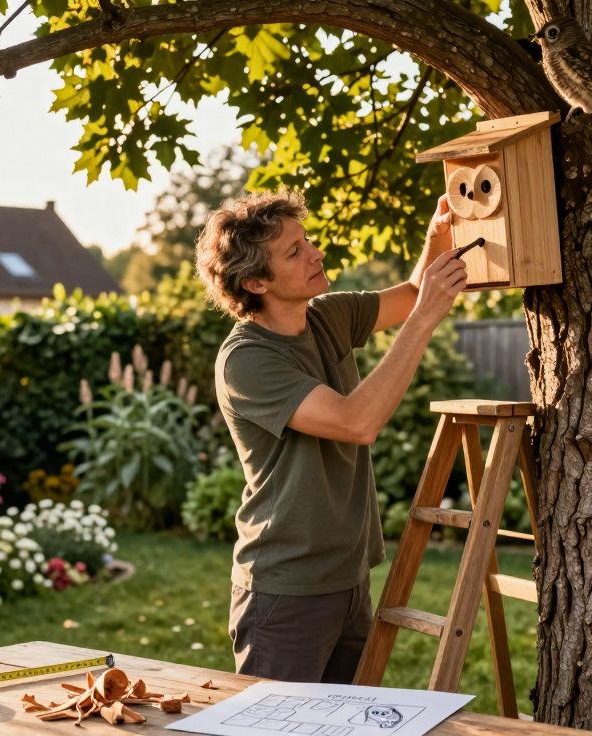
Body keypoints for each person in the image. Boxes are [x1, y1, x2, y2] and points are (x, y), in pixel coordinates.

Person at [194, 189, 467, 684]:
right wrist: (428, 316)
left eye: (308, 241)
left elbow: (409, 296)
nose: (315, 253)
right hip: (285, 592)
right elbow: (356, 422)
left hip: (349, 580)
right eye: (294, 252)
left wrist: (437, 237)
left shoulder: (329, 315)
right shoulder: (247, 360)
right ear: (256, 281)